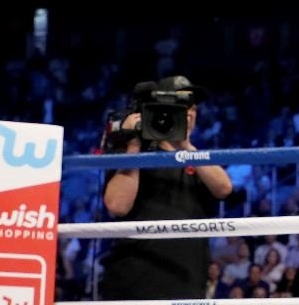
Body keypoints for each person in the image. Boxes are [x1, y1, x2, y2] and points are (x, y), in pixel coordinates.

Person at [100, 75, 234, 299]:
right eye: (181, 105)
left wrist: (185, 145)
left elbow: (224, 188)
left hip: (187, 284)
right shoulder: (134, 152)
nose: (189, 113)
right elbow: (117, 205)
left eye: (192, 107)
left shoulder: (199, 160)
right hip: (134, 283)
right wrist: (134, 144)